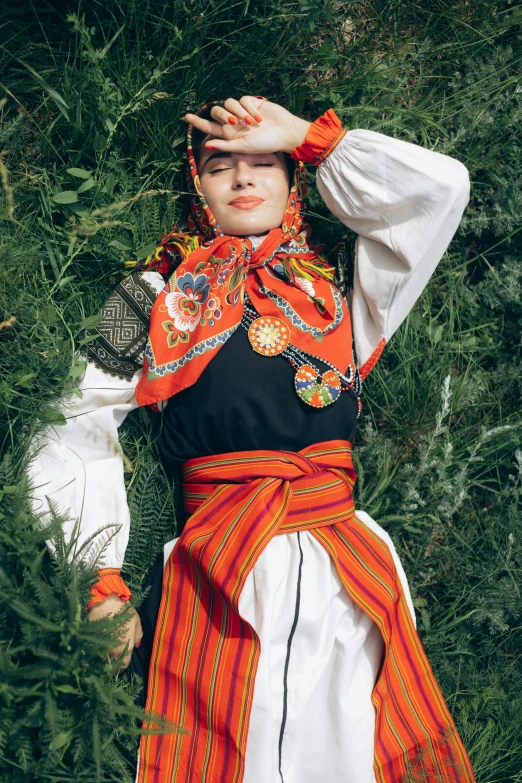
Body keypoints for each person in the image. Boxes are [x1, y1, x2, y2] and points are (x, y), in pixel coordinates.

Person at [28, 96, 474, 783]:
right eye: (218, 165)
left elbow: (440, 191)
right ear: (196, 185)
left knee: (359, 752)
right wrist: (101, 579)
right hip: (214, 572)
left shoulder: (343, 291)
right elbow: (72, 421)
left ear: (294, 183)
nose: (243, 177)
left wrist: (310, 138)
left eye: (266, 162)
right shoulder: (151, 296)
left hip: (344, 572)